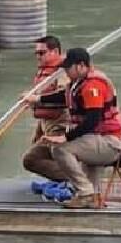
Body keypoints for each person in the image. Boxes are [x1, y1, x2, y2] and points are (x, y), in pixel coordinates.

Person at [24, 48, 121, 208]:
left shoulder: (93, 86)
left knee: (60, 149)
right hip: (94, 139)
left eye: (68, 68)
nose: (65, 71)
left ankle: (86, 193)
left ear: (80, 66)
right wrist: (37, 99)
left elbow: (93, 119)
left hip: (108, 142)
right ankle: (91, 200)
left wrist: (65, 137)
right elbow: (63, 97)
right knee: (93, 195)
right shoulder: (78, 83)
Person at [22, 35, 73, 182]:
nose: (38, 57)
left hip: (62, 128)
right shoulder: (46, 72)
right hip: (48, 126)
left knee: (32, 159)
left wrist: (38, 101)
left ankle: (74, 181)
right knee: (33, 156)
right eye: (36, 53)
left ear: (55, 51)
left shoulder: (62, 73)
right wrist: (38, 131)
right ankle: (70, 180)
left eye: (41, 53)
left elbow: (65, 98)